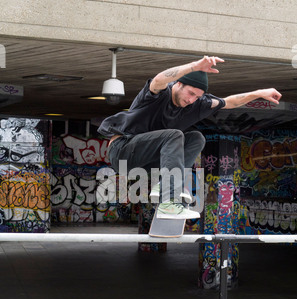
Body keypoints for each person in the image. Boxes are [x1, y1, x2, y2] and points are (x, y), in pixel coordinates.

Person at [98, 56, 282, 219]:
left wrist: (258, 93)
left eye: (198, 96)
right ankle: (169, 202)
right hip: (122, 152)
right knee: (174, 136)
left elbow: (230, 102)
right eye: (190, 93)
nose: (192, 100)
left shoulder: (199, 104)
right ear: (178, 84)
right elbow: (159, 79)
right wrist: (194, 66)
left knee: (196, 138)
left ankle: (164, 185)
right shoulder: (157, 95)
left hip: (148, 162)